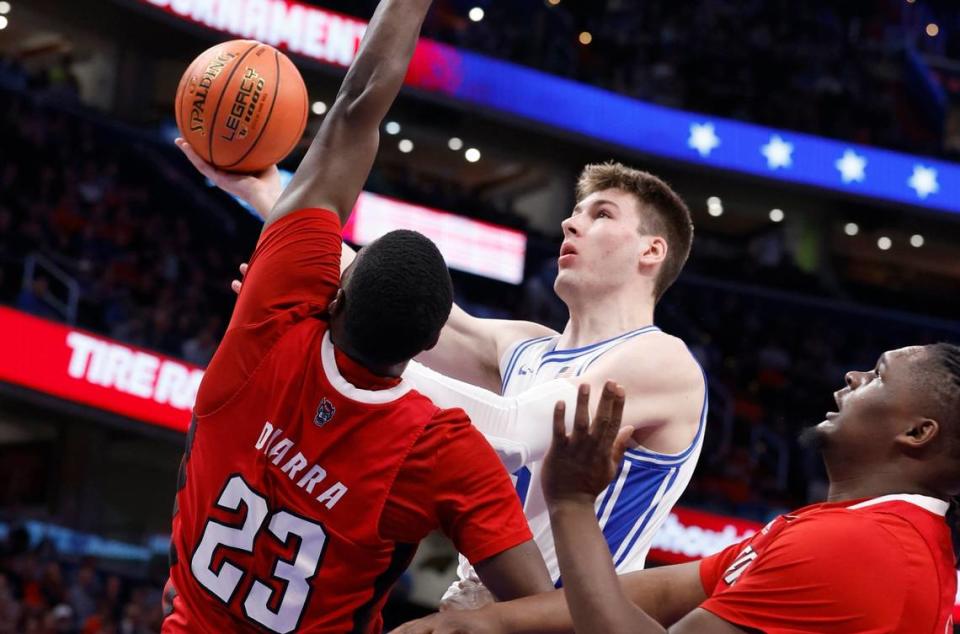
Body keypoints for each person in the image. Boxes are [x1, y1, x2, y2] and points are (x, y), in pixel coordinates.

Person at [161, 2, 553, 632]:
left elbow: (356, 105)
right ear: (428, 344)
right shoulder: (440, 449)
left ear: (334, 294)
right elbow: (542, 608)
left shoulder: (273, 316)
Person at [177, 153, 707, 606]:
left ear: (651, 251)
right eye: (574, 212)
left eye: (601, 214)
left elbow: (512, 433)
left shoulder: (661, 359)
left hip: (571, 620)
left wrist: (325, 338)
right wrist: (267, 192)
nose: (571, 224)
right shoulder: (526, 347)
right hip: (480, 610)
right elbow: (381, 294)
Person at [395, 344, 960, 633]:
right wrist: (484, 621)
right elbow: (660, 593)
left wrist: (570, 501)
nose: (853, 377)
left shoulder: (865, 550)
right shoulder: (865, 531)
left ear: (917, 432)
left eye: (879, 374)